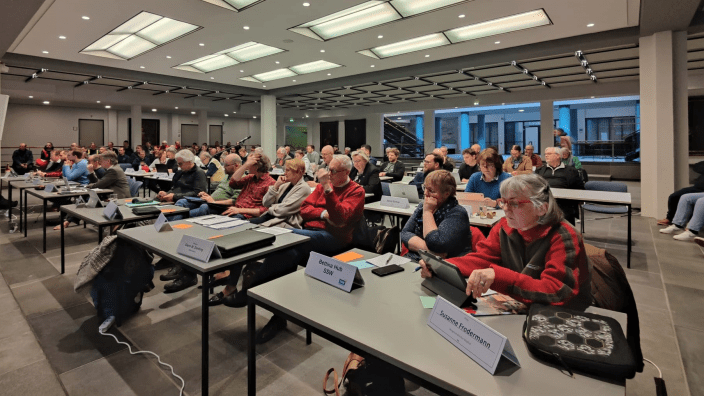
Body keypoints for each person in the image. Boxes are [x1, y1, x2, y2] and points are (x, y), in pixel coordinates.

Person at [223, 155, 365, 344]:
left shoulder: (356, 191)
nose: (328, 174)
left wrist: (328, 190)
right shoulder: (321, 188)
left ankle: (250, 292)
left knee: (287, 239)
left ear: (346, 172)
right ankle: (278, 317)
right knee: (288, 253)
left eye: (333, 171)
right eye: (328, 169)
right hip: (310, 232)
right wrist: (323, 213)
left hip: (335, 239)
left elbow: (340, 219)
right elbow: (305, 209)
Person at [419, 174, 592, 310]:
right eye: (503, 202)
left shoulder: (564, 236)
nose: (506, 209)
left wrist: (499, 276)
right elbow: (482, 259)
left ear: (541, 208)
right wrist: (442, 267)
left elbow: (557, 291)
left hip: (564, 315)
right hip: (526, 307)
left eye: (515, 204)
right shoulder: (504, 226)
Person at [209, 159, 312, 306]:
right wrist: (276, 186)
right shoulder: (285, 185)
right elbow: (265, 202)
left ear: (299, 172)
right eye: (286, 169)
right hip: (269, 218)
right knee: (239, 238)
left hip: (282, 224)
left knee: (245, 240)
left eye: (289, 170)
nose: (285, 172)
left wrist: (271, 208)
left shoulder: (304, 188)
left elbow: (283, 210)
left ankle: (236, 287)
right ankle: (231, 285)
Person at [401, 170, 471, 262]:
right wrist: (431, 252)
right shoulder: (423, 205)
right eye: (425, 188)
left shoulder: (457, 213)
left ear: (446, 193)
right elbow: (405, 233)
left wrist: (427, 212)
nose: (425, 193)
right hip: (417, 258)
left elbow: (435, 243)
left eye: (431, 191)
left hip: (445, 266)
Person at [53, 151, 131, 230]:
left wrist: (87, 186)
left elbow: (99, 184)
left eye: (101, 160)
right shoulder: (113, 169)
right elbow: (99, 183)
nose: (99, 162)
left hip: (118, 197)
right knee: (85, 199)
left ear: (108, 161)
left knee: (86, 200)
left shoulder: (113, 171)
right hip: (110, 194)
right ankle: (68, 221)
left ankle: (68, 221)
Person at [535, 147, 584, 225]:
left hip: (564, 202)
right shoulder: (540, 170)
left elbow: (579, 188)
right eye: (545, 154)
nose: (546, 156)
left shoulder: (571, 171)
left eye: (549, 154)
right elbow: (535, 186)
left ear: (558, 156)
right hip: (544, 201)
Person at [221, 153, 276, 220]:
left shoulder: (270, 183)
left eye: (250, 164)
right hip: (235, 210)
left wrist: (239, 210)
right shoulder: (250, 178)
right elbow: (232, 183)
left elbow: (266, 210)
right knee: (206, 208)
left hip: (246, 216)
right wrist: (246, 164)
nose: (247, 167)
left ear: (256, 166)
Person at [658, 161, 704, 225]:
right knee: (674, 196)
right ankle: (670, 219)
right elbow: (696, 167)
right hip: (696, 187)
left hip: (702, 191)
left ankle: (690, 225)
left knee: (697, 201)